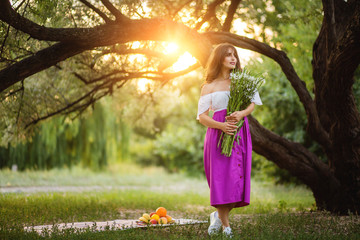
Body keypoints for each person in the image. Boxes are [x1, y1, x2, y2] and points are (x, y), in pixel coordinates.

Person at [196, 43, 262, 238]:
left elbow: (252, 104)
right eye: (228, 55)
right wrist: (222, 126)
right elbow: (202, 117)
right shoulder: (209, 86)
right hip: (217, 134)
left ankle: (217, 216)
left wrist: (241, 113)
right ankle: (226, 227)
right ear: (219, 59)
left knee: (236, 181)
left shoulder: (242, 81)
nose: (233, 58)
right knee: (220, 180)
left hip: (239, 133)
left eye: (234, 55)